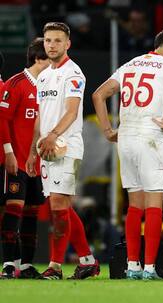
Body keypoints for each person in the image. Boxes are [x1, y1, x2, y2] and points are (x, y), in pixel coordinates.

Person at [92, 28, 163, 280]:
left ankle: (132, 266)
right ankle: (150, 268)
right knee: (153, 205)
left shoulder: (129, 64)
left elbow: (98, 94)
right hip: (151, 137)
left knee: (134, 205)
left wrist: (107, 130)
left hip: (126, 137)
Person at [25, 22, 99, 280]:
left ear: (67, 44)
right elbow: (39, 117)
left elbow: (71, 111)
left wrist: (53, 135)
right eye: (48, 41)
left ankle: (55, 267)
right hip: (45, 148)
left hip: (65, 146)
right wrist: (33, 151)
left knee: (58, 205)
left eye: (57, 40)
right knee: (63, 206)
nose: (52, 45)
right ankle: (88, 261)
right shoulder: (44, 75)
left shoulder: (73, 73)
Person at [0, 38, 49, 279]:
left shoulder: (49, 86)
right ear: (39, 59)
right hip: (16, 160)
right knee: (13, 210)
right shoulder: (16, 83)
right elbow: (3, 119)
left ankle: (27, 265)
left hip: (38, 164)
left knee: (31, 215)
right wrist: (8, 152)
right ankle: (10, 264)